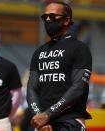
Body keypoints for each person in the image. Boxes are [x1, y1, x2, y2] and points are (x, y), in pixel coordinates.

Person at [27, 2, 92, 131]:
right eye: (45, 17)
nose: (48, 20)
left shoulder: (79, 48)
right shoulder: (39, 52)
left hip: (69, 122)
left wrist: (47, 114)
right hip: (43, 125)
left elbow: (79, 87)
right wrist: (39, 116)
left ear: (66, 20)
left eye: (52, 16)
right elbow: (31, 88)